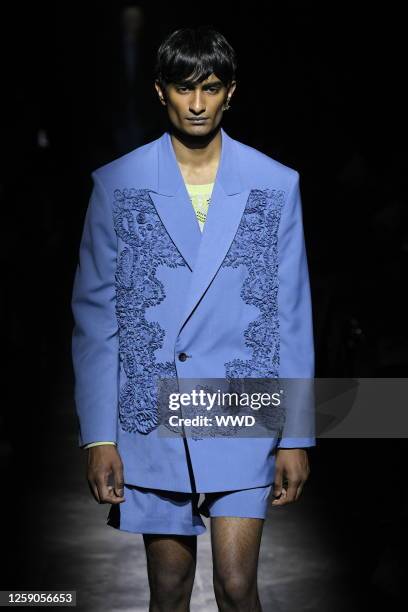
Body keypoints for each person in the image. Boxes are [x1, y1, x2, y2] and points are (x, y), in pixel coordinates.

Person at [71, 25, 315, 612]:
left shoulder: (275, 185)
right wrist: (99, 436)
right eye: (185, 89)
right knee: (170, 589)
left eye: (210, 88)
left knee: (236, 586)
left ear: (232, 91)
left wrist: (299, 436)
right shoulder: (118, 184)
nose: (198, 104)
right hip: (152, 413)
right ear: (161, 92)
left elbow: (292, 314)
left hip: (242, 407)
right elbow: (95, 318)